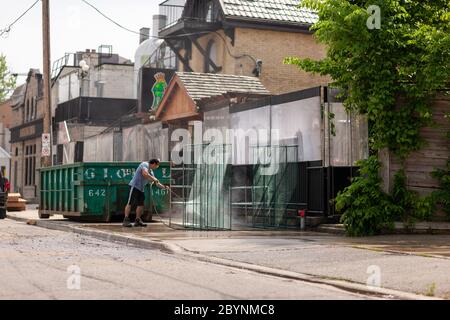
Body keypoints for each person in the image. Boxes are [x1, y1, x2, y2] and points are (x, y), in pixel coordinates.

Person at [123, 159, 169, 227]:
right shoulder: (145, 165)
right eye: (157, 166)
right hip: (134, 186)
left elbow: (156, 183)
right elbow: (144, 174)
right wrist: (153, 178)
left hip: (141, 189)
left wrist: (164, 187)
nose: (157, 167)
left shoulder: (151, 172)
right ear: (153, 164)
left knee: (141, 204)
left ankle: (137, 220)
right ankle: (126, 220)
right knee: (130, 202)